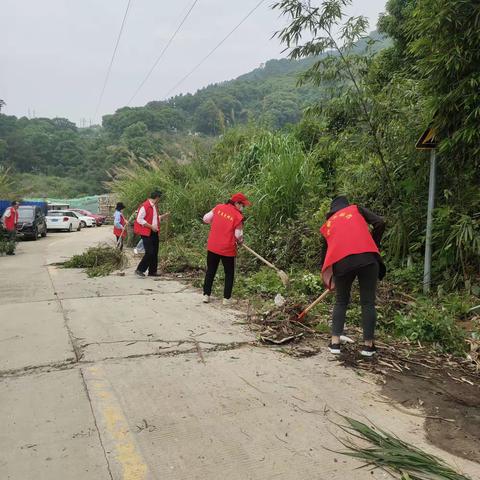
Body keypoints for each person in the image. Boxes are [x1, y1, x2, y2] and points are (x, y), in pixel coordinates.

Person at [320, 196, 386, 357]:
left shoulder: (327, 225)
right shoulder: (356, 210)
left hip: (342, 263)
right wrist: (373, 243)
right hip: (368, 259)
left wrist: (330, 279)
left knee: (341, 301)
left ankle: (335, 343)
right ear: (346, 205)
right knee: (368, 302)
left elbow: (325, 256)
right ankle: (368, 346)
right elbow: (380, 222)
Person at [202, 192, 251, 305]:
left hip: (213, 246)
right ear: (237, 203)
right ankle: (226, 299)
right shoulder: (238, 216)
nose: (243, 208)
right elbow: (238, 235)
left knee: (211, 270)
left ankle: (206, 295)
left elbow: (205, 219)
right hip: (227, 249)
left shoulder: (218, 207)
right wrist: (240, 241)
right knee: (229, 273)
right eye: (243, 205)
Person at [133, 190, 169, 277]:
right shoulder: (145, 206)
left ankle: (152, 271)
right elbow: (139, 219)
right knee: (150, 252)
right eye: (159, 198)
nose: (159, 200)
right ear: (157, 198)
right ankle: (140, 269)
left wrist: (163, 216)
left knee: (155, 252)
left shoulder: (154, 206)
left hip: (154, 232)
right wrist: (151, 227)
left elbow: (154, 218)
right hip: (146, 232)